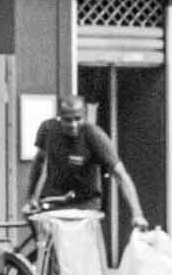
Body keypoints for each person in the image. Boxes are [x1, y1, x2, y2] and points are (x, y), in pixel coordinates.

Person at [23, 94, 139, 224]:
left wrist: (137, 214)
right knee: (47, 240)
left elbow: (121, 176)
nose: (73, 125)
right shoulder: (48, 129)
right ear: (59, 117)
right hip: (54, 201)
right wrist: (30, 198)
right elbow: (38, 163)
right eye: (67, 120)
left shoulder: (95, 136)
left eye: (78, 119)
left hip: (84, 205)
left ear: (84, 117)